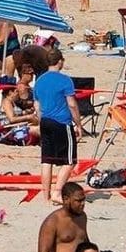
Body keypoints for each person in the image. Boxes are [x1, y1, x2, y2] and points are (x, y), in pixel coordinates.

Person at [32, 46, 83, 204]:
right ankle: (57, 192)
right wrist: (79, 124)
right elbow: (72, 104)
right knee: (70, 161)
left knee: (47, 160)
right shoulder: (65, 80)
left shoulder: (40, 80)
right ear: (59, 61)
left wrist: (41, 121)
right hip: (61, 121)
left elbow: (36, 105)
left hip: (45, 120)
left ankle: (45, 195)